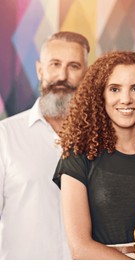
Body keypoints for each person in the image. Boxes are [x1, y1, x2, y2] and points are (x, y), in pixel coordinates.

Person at [52, 51, 135, 260]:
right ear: (100, 94)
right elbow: (80, 248)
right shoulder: (78, 156)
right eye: (114, 89)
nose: (126, 99)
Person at [0, 31, 89, 259]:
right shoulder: (5, 136)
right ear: (40, 70)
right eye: (55, 64)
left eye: (74, 66)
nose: (62, 75)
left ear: (86, 74)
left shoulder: (104, 138)